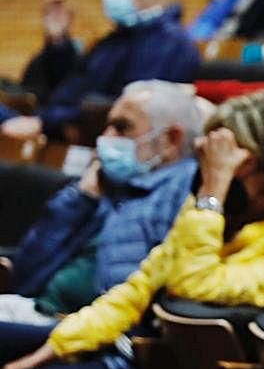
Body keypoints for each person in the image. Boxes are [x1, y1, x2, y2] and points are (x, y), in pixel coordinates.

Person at [0, 89, 264, 369]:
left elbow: (192, 287)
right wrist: (58, 345)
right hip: (134, 352)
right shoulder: (220, 211)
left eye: (225, 163)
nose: (209, 171)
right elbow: (138, 287)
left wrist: (213, 190)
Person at [0, 81, 202, 333]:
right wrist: (82, 198)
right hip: (33, 311)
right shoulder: (103, 186)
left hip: (85, 331)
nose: (105, 138)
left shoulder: (184, 192)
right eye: (107, 126)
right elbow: (24, 276)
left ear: (171, 139)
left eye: (122, 128)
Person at [2, 0, 200, 142]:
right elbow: (67, 92)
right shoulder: (111, 42)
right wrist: (59, 44)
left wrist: (45, 123)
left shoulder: (173, 45)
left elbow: (121, 110)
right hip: (62, 134)